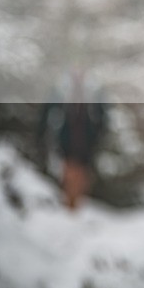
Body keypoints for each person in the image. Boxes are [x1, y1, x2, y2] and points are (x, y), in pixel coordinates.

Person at [37, 68, 108, 210]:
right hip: (67, 146)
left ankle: (75, 209)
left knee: (80, 177)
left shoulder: (93, 93)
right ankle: (68, 209)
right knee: (70, 175)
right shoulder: (62, 91)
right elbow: (48, 112)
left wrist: (96, 137)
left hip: (85, 147)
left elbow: (102, 117)